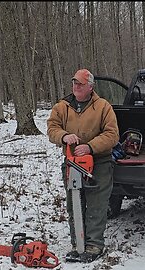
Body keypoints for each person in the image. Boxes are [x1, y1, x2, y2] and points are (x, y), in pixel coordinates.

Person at [47, 68, 119, 263]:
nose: (76, 87)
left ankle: (94, 245)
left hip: (99, 162)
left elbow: (112, 135)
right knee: (74, 204)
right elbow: (52, 128)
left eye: (80, 84)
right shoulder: (62, 106)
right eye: (74, 83)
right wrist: (63, 136)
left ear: (90, 86)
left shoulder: (103, 106)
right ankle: (77, 243)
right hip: (71, 163)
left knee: (97, 204)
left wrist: (90, 147)